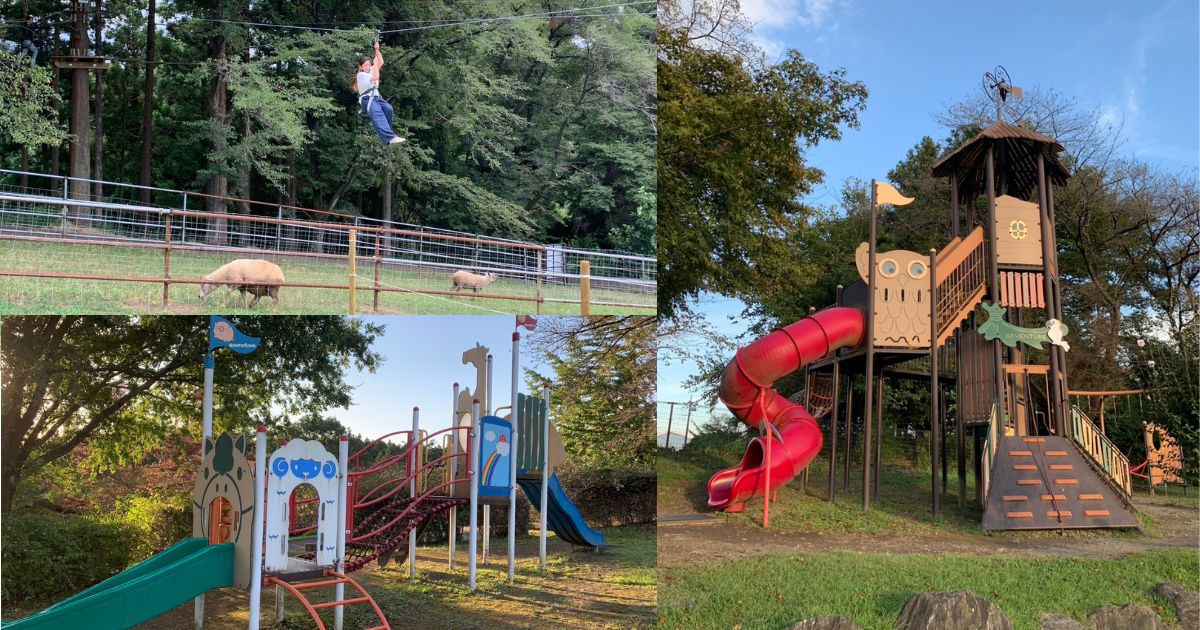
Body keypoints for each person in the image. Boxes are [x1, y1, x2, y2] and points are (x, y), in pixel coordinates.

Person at [354, 41, 405, 146]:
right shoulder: (361, 75)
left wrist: (377, 50)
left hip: (376, 98)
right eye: (366, 65)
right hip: (367, 100)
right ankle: (389, 137)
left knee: (389, 109)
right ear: (361, 66)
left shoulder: (371, 70)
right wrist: (375, 66)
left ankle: (389, 135)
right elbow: (376, 76)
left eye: (369, 65)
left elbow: (381, 62)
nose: (368, 67)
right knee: (377, 113)